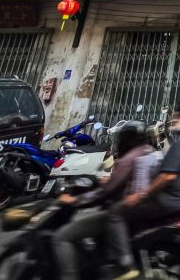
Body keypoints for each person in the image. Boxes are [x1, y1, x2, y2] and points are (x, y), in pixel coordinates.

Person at [105, 102, 180, 279]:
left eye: (176, 117)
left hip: (167, 200)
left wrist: (142, 194)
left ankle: (125, 264)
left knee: (116, 212)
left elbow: (167, 177)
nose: (173, 120)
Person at [52, 120, 154, 280]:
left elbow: (106, 192)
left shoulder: (129, 159)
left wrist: (76, 200)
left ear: (127, 139)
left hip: (125, 210)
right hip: (143, 207)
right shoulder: (149, 151)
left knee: (62, 237)